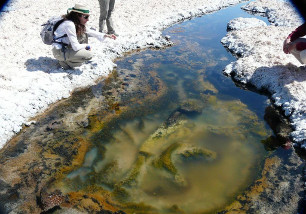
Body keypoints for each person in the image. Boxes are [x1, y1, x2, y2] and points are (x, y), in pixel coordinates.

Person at [52, 3, 116, 70]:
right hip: (59, 52)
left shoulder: (74, 22)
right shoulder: (69, 24)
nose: (88, 19)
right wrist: (87, 46)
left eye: (88, 17)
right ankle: (65, 63)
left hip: (64, 48)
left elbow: (89, 31)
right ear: (77, 15)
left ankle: (69, 59)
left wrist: (106, 35)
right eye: (86, 17)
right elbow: (76, 47)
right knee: (89, 54)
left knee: (84, 34)